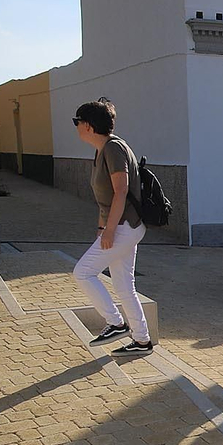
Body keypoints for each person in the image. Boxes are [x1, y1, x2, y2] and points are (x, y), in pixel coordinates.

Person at [69, 98, 153, 356]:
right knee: (124, 285)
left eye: (77, 122)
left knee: (83, 272)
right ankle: (142, 341)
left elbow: (121, 191)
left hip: (124, 226)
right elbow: (104, 199)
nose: (76, 126)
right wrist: (101, 227)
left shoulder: (113, 148)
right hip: (122, 226)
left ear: (89, 126)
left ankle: (116, 323)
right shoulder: (102, 150)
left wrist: (110, 230)